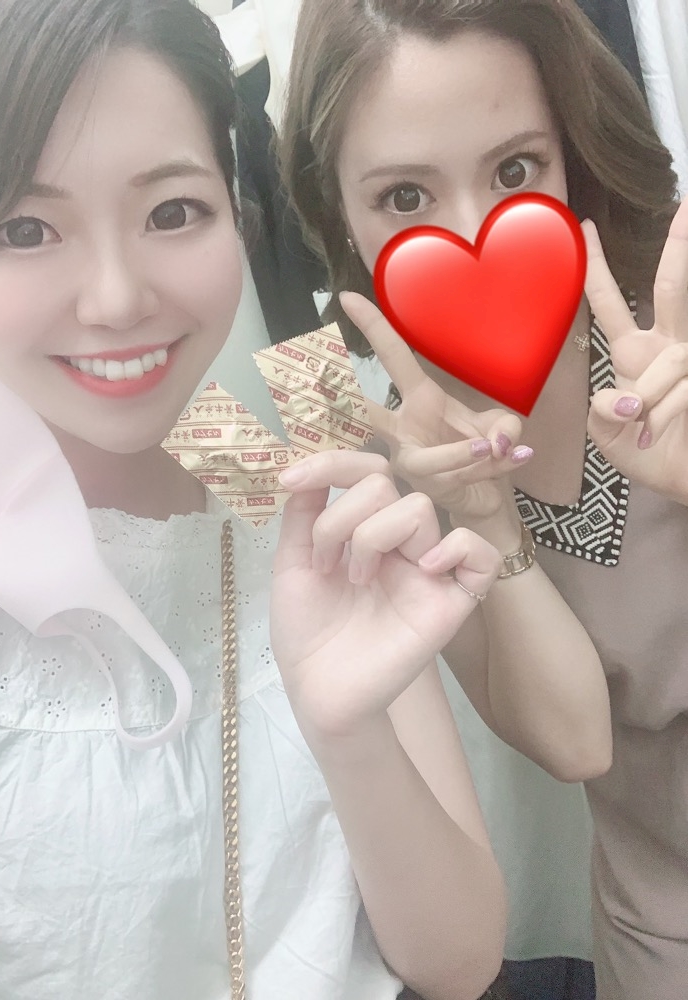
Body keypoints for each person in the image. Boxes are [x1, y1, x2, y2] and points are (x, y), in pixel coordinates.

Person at [0, 2, 511, 999]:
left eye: (173, 212)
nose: (117, 299)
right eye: (26, 229)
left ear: (239, 214)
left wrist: (350, 733)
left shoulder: (295, 485)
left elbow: (460, 961)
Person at [279, 2, 688, 999]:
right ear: (339, 212)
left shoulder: (671, 324)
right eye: (405, 194)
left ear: (570, 151)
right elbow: (577, 742)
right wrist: (487, 517)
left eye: (514, 171)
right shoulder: (389, 473)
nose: (472, 233)